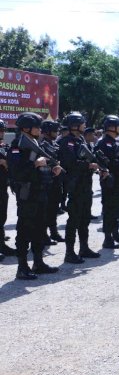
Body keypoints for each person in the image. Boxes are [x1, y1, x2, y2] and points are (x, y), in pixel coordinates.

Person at [8, 112, 62, 279]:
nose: (40, 129)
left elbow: (41, 169)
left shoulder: (36, 144)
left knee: (39, 228)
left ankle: (38, 262)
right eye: (36, 127)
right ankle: (22, 267)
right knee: (25, 230)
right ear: (26, 128)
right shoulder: (17, 147)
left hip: (40, 192)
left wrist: (52, 169)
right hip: (27, 195)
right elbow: (18, 173)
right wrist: (34, 164)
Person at [58, 112, 103, 262]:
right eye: (82, 123)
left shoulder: (80, 140)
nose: (85, 125)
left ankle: (84, 248)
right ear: (75, 125)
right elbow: (70, 163)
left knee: (84, 219)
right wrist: (88, 165)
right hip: (75, 186)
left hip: (85, 185)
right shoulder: (67, 142)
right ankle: (69, 252)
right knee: (74, 219)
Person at [95, 115, 119, 249]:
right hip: (110, 181)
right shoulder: (103, 142)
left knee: (116, 209)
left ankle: (115, 233)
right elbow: (106, 163)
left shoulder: (114, 142)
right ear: (112, 127)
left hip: (118, 180)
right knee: (109, 209)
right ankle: (108, 238)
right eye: (118, 126)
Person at [40, 120, 65, 245]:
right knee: (46, 209)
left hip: (56, 180)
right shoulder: (41, 144)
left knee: (54, 208)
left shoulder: (53, 143)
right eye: (55, 131)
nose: (57, 133)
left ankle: (54, 232)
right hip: (46, 181)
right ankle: (44, 235)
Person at [0, 119, 16, 257]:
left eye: (3, 130)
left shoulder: (3, 146)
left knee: (2, 216)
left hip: (3, 185)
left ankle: (1, 244)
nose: (2, 133)